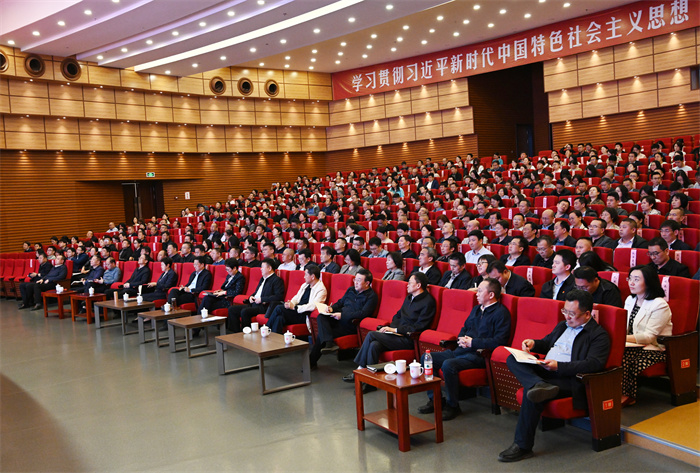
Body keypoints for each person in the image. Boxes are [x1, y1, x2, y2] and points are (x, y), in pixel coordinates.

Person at [498, 290, 610, 462]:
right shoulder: (563, 325)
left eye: (572, 314)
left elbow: (593, 364)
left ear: (587, 314)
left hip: (569, 379)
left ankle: (523, 446)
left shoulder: (598, 335)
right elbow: (547, 343)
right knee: (513, 358)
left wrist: (559, 366)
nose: (567, 317)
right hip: (547, 370)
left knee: (532, 394)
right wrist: (534, 343)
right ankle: (538, 384)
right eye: (565, 311)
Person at [418, 278, 511, 420]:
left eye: (480, 291)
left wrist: (473, 343)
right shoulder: (476, 309)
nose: (476, 294)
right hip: (461, 350)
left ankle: (453, 405)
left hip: (479, 355)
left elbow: (499, 341)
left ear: (491, 295)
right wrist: (461, 338)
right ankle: (435, 399)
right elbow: (465, 328)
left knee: (448, 365)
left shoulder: (501, 313)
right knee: (426, 358)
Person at [343, 273, 436, 392]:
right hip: (396, 335)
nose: (407, 285)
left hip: (409, 338)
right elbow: (397, 316)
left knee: (371, 334)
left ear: (418, 285)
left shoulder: (428, 302)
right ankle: (371, 383)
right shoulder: (409, 297)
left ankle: (360, 368)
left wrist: (396, 330)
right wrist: (392, 329)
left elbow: (419, 326)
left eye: (410, 283)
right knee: (374, 345)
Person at [621, 265, 673, 406]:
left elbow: (649, 337)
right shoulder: (630, 300)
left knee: (625, 356)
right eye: (630, 278)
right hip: (632, 344)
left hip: (655, 349)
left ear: (648, 282)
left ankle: (628, 395)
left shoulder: (659, 305)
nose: (631, 283)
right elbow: (624, 326)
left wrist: (621, 339)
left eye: (636, 279)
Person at [310, 269, 378, 367]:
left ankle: (313, 360)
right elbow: (340, 302)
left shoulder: (372, 296)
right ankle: (328, 343)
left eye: (359, 280)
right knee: (321, 316)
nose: (355, 282)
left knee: (322, 334)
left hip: (350, 324)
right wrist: (331, 308)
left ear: (367, 283)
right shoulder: (351, 290)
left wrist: (342, 316)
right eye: (355, 279)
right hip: (337, 319)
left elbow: (363, 313)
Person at [227, 258, 285, 332]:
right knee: (232, 309)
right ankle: (235, 332)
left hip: (264, 306)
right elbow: (257, 292)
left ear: (269, 268)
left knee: (245, 311)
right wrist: (251, 297)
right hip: (254, 304)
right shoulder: (262, 279)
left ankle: (246, 333)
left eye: (263, 267)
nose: (261, 269)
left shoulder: (277, 280)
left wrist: (262, 299)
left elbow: (278, 296)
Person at [266, 265, 327, 334]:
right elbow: (297, 297)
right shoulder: (305, 285)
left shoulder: (321, 289)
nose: (304, 277)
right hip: (296, 311)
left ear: (313, 276)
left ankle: (266, 329)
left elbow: (314, 306)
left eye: (306, 275)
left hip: (304, 315)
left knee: (279, 308)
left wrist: (295, 307)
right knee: (279, 318)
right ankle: (273, 338)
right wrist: (290, 303)